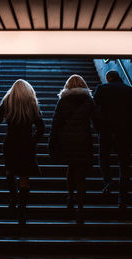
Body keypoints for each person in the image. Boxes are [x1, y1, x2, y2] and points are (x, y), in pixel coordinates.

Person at [0, 79, 44, 225]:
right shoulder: (31, 103)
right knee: (24, 178)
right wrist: (32, 142)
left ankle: (13, 198)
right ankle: (22, 210)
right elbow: (41, 129)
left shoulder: (8, 101)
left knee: (10, 172)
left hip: (11, 143)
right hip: (26, 144)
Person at [48, 74, 95, 224]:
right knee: (81, 176)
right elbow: (98, 120)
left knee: (71, 167)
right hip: (83, 140)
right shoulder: (89, 101)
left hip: (67, 140)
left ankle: (69, 197)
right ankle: (80, 209)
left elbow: (56, 124)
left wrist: (52, 143)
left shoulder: (62, 101)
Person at [93, 70, 132, 209]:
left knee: (103, 158)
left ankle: (108, 181)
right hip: (125, 134)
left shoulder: (102, 89)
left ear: (108, 78)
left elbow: (94, 110)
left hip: (106, 131)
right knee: (124, 166)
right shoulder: (131, 91)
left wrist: (98, 128)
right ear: (119, 78)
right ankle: (123, 199)